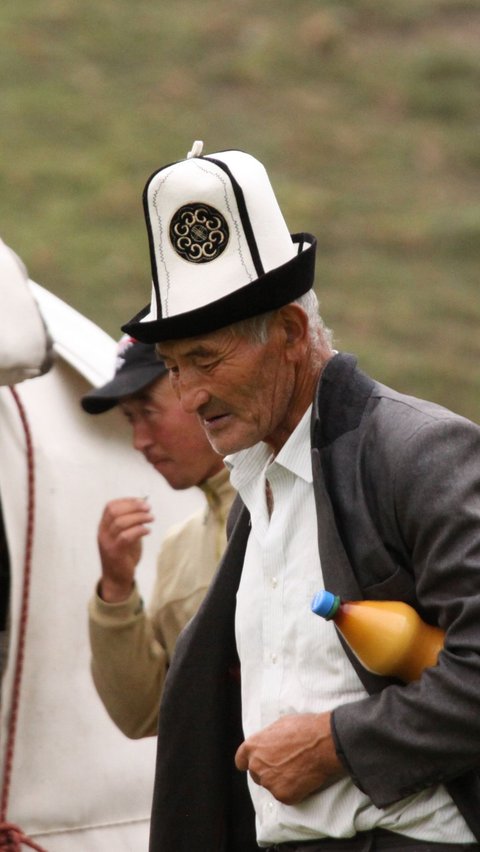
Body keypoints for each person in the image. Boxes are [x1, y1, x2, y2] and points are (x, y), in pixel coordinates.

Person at [122, 142, 480, 851]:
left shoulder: (420, 454)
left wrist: (336, 745)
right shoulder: (256, 492)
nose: (189, 396)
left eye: (206, 359)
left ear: (288, 332)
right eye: (171, 367)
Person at [81, 334, 235, 738]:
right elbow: (143, 714)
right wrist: (115, 587)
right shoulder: (178, 548)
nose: (140, 442)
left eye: (149, 411)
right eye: (131, 419)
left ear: (199, 391)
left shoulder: (302, 501)